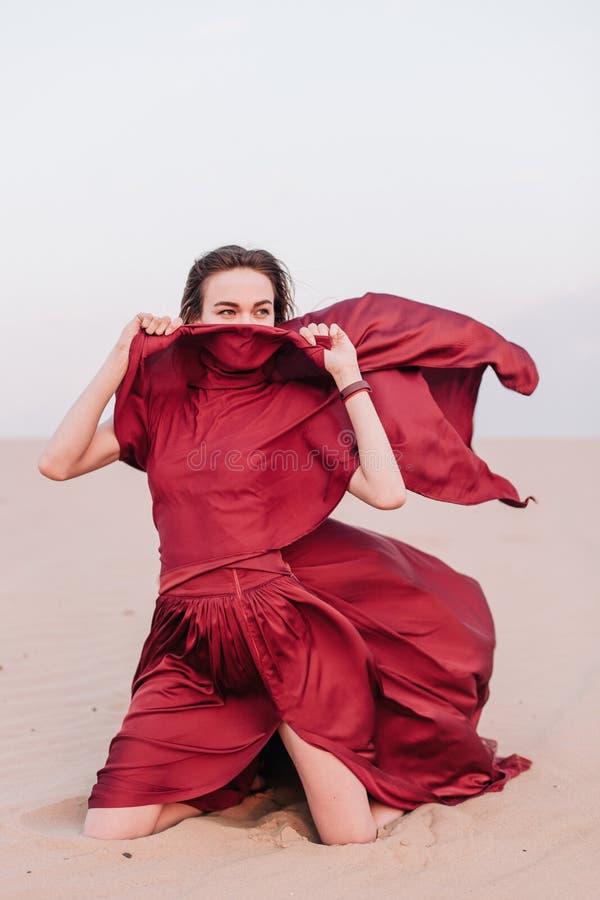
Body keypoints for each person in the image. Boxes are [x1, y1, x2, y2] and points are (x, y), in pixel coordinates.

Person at [38, 245, 536, 845]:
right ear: (193, 316)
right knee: (110, 830)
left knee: (348, 836)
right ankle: (247, 777)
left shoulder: (301, 405)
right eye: (226, 309)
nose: (244, 323)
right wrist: (122, 356)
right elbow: (58, 462)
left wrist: (348, 379)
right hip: (188, 641)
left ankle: (359, 777)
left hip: (286, 635)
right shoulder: (165, 404)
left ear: (278, 319)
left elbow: (386, 492)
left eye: (261, 309)